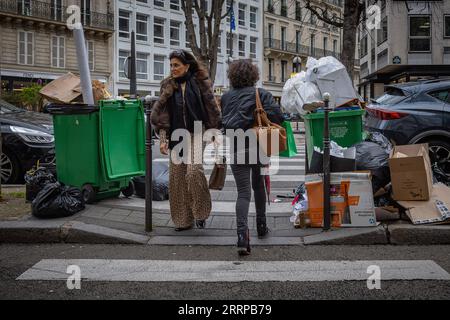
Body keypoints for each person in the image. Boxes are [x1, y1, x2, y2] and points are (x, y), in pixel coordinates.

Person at [150, 49, 221, 231]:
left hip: (197, 131)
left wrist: (214, 131)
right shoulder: (167, 85)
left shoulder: (199, 83)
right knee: (178, 178)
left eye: (177, 65)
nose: (173, 69)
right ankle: (183, 219)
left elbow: (211, 108)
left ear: (187, 66)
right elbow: (163, 115)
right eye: (171, 65)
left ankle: (201, 211)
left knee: (194, 171)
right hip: (176, 135)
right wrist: (163, 138)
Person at [221, 60, 283, 255]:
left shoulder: (225, 97)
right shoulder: (261, 94)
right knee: (259, 186)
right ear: (253, 75)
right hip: (260, 147)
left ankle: (241, 235)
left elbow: (222, 121)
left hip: (236, 147)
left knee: (243, 192)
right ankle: (262, 225)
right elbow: (278, 116)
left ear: (232, 76)